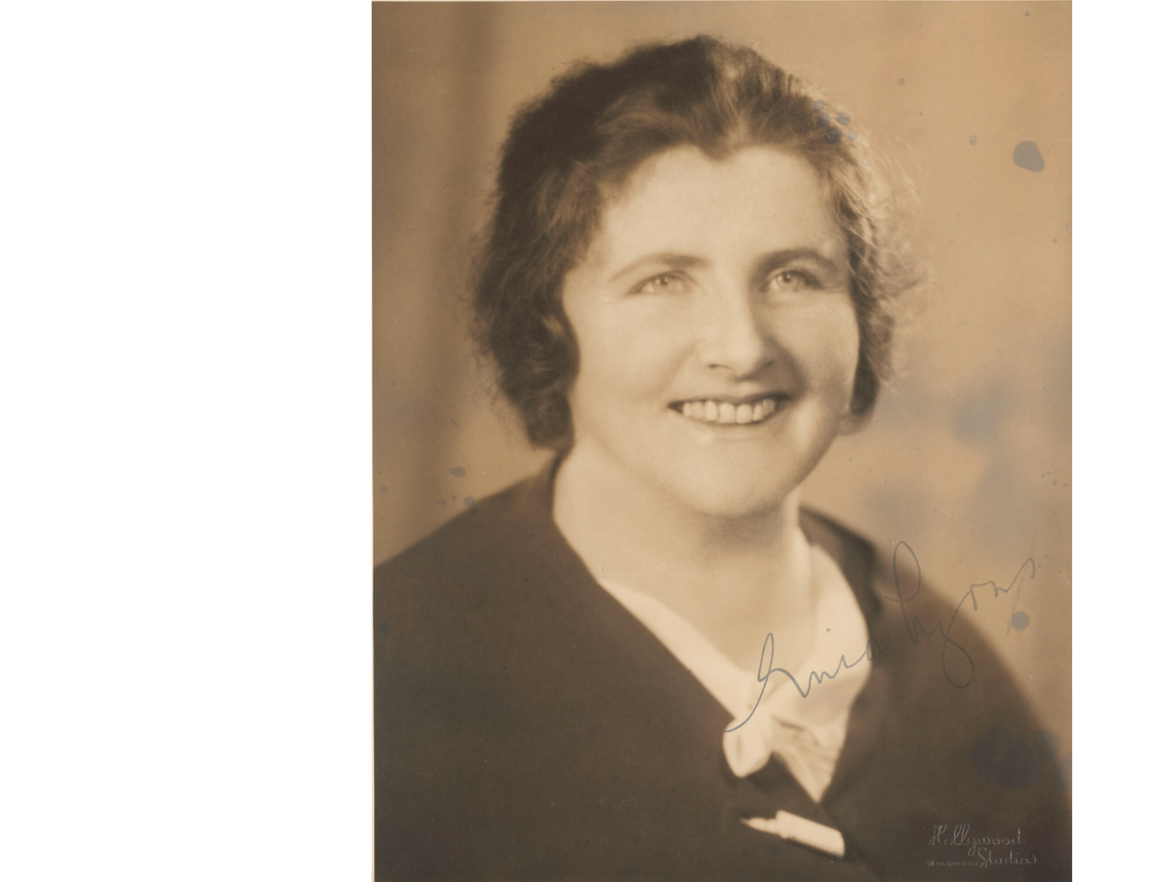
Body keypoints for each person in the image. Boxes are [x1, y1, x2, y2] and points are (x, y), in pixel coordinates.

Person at [373, 36, 1071, 881]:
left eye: (793, 277)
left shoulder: (955, 689)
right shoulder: (402, 674)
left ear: (860, 314)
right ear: (547, 324)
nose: (741, 348)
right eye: (664, 281)